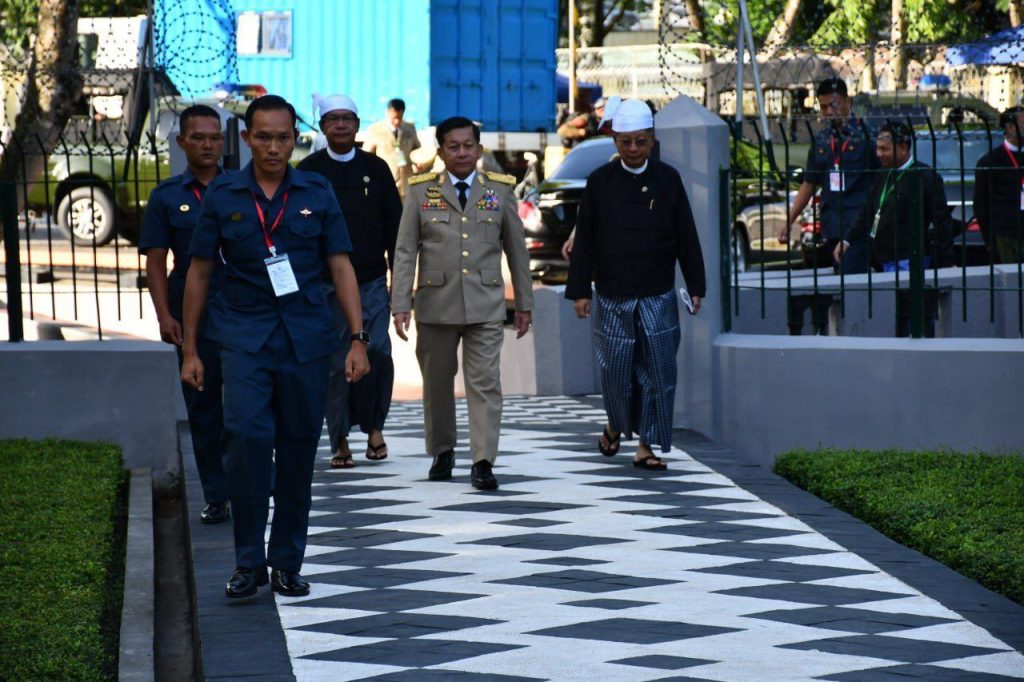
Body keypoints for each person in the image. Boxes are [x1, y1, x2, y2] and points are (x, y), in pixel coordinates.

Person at [181, 95, 369, 599]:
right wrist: (191, 350)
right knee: (245, 438)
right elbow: (199, 271)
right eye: (262, 137)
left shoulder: (316, 190)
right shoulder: (224, 194)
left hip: (306, 338)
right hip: (243, 336)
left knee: (297, 449)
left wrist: (358, 339)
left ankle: (286, 561)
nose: (273, 147)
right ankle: (249, 561)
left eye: (282, 138)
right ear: (247, 139)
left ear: (294, 139)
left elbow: (341, 266)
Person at [391, 116, 533, 491]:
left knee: (485, 383)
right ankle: (442, 450)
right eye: (453, 147)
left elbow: (517, 250)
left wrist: (524, 303)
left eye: (468, 145)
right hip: (436, 304)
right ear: (440, 152)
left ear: (479, 149)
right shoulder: (421, 191)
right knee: (437, 384)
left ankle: (483, 460)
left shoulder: (499, 190)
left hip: (485, 303)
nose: (462, 153)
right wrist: (400, 302)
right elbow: (405, 250)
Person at [564, 99, 706, 471]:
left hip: (658, 292)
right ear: (615, 142)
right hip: (612, 293)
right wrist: (580, 292)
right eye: (625, 142)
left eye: (640, 141)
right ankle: (616, 423)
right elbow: (586, 239)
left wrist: (696, 285)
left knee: (657, 370)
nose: (633, 149)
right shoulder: (600, 181)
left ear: (651, 141)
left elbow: (686, 236)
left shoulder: (668, 179)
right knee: (615, 370)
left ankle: (646, 444)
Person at [297, 93, 402, 468]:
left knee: (378, 354)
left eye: (347, 118)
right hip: (324, 287)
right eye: (333, 119)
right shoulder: (308, 171)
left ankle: (374, 428)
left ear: (358, 125)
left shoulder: (376, 168)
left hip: (371, 283)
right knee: (335, 362)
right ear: (322, 126)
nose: (340, 125)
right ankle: (339, 438)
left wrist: (399, 282)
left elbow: (395, 230)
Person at [139, 104, 230, 525]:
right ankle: (216, 494)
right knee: (203, 408)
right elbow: (156, 263)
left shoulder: (242, 188)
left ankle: (252, 482)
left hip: (244, 311)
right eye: (198, 138)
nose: (208, 145)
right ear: (181, 142)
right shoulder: (167, 197)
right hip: (193, 316)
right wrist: (164, 315)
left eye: (214, 137)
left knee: (250, 405)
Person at [834, 121, 954, 336]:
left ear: (903, 148)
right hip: (883, 258)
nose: (878, 154)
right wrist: (847, 239)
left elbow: (942, 221)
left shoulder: (925, 176)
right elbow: (867, 212)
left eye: (884, 149)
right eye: (877, 148)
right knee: (893, 316)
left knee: (912, 315)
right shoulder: (882, 174)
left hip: (911, 259)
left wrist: (947, 261)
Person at [779, 77, 878, 274]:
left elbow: (882, 179)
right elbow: (809, 183)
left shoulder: (867, 137)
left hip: (858, 225)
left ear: (848, 102)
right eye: (823, 107)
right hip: (831, 225)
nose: (829, 112)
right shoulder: (822, 140)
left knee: (849, 280)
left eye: (834, 105)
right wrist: (789, 220)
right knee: (840, 278)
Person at [974, 106, 1024, 263]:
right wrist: (989, 239)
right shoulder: (990, 161)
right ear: (1009, 127)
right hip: (1006, 234)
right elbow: (981, 204)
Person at [364, 98, 422, 198]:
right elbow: (367, 155)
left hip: (406, 181)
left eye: (400, 117)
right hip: (384, 180)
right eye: (394, 117)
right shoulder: (375, 130)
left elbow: (417, 150)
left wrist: (420, 162)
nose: (397, 121)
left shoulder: (410, 128)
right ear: (388, 112)